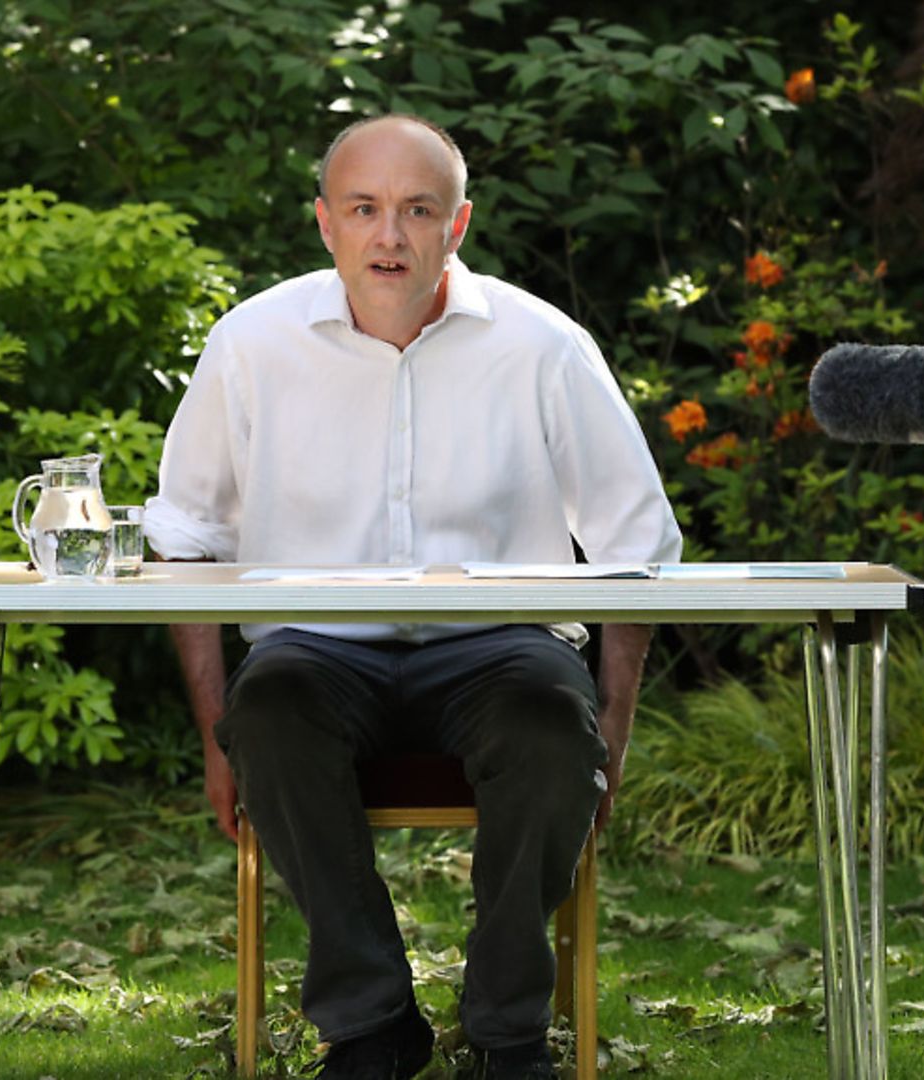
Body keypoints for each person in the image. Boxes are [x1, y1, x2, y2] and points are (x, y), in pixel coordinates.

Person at [143, 114, 681, 1080]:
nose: (389, 236)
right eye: (364, 209)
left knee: (552, 731)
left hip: (500, 648)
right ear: (325, 224)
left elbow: (637, 545)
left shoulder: (543, 345)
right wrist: (217, 733)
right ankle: (371, 1023)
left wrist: (613, 733)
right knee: (268, 714)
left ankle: (508, 1029)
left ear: (457, 225)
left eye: (416, 210)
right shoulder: (252, 343)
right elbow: (185, 544)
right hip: (317, 652)